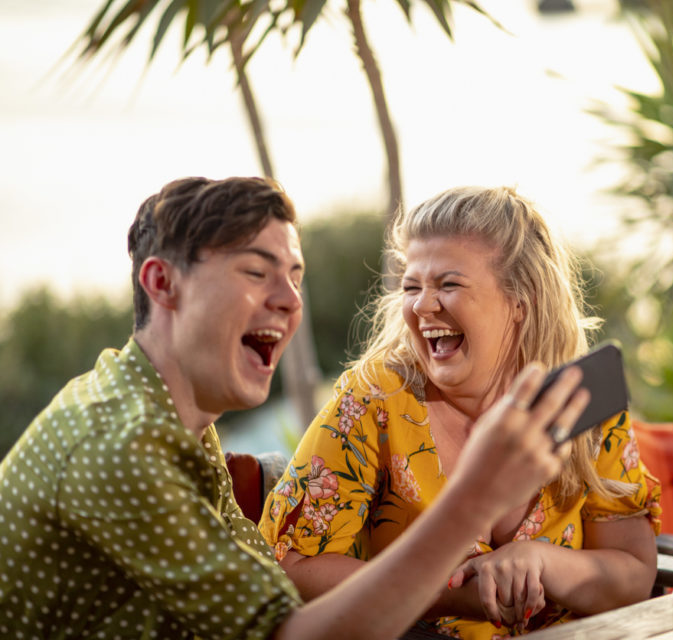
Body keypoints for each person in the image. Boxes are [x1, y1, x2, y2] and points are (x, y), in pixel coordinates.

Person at [0, 176, 587, 639]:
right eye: (256, 272)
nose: (289, 301)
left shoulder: (168, 419)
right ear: (162, 284)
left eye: (295, 276)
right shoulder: (121, 447)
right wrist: (474, 498)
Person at [259, 185, 662, 639]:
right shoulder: (375, 398)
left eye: (448, 284)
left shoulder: (581, 399)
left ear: (519, 302)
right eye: (412, 286)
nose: (422, 305)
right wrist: (458, 591)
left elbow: (634, 575)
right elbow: (290, 565)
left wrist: (540, 562)